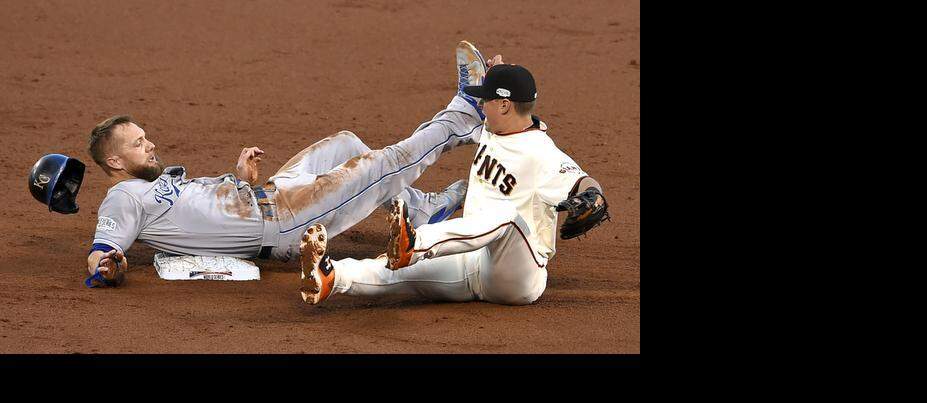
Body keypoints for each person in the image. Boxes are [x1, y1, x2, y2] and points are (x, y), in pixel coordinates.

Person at [84, 41, 494, 288]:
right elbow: (103, 251)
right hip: (284, 223)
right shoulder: (123, 196)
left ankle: (422, 210)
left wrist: (237, 179)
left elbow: (199, 211)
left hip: (273, 193)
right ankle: (466, 109)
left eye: (146, 137)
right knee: (381, 164)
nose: (151, 144)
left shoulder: (153, 184)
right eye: (139, 144)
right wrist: (107, 266)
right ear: (115, 160)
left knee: (345, 143)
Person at [298, 60, 611, 306]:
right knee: (397, 270)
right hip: (472, 262)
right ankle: (329, 278)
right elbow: (507, 94)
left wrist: (592, 193)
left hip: (516, 275)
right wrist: (496, 74)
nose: (481, 106)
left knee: (507, 216)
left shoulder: (542, 153)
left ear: (504, 106)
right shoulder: (495, 127)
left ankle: (414, 244)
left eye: (486, 100)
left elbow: (581, 180)